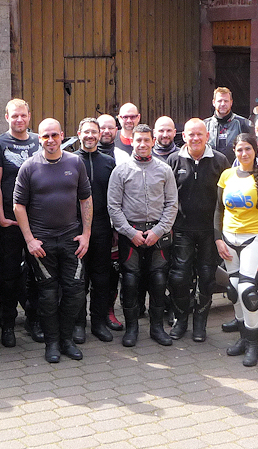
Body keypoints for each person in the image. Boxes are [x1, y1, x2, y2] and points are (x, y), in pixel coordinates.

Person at [14, 118, 93, 363]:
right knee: (47, 296)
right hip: (42, 243)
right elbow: (18, 206)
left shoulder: (75, 163)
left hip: (71, 240)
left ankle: (67, 340)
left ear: (62, 135)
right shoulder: (29, 167)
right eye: (45, 136)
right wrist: (29, 240)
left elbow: (86, 199)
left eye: (54, 135)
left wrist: (86, 234)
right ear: (39, 138)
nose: (50, 140)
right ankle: (52, 344)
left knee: (75, 291)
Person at [108, 124, 178, 348]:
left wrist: (158, 231)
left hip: (158, 234)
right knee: (130, 282)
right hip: (131, 235)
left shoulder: (164, 170)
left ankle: (157, 328)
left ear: (153, 141)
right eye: (138, 140)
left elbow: (172, 204)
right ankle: (132, 329)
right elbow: (113, 207)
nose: (143, 144)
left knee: (158, 281)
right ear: (132, 142)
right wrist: (130, 232)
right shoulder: (120, 171)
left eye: (147, 140)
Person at [215, 133, 258, 367]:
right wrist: (218, 239)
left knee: (247, 291)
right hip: (228, 238)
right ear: (234, 151)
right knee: (233, 289)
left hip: (254, 238)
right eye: (240, 149)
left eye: (248, 149)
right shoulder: (227, 175)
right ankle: (243, 338)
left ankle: (253, 344)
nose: (244, 154)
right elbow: (218, 210)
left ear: (255, 150)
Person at [167, 118, 230, 342]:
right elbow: (168, 197)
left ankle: (200, 324)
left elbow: (226, 198)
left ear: (207, 136)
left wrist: (221, 231)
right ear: (184, 136)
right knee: (179, 277)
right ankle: (181, 320)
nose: (195, 138)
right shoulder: (173, 160)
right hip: (181, 229)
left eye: (199, 134)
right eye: (191, 134)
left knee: (207, 277)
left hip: (209, 231)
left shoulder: (220, 161)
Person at [0, 98, 43, 347]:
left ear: (29, 116)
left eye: (23, 115)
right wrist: (0, 217)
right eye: (14, 115)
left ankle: (34, 320)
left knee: (38, 274)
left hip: (37, 221)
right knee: (9, 275)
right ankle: (7, 324)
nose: (19, 119)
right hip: (9, 222)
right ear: (7, 117)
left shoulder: (40, 141)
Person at [74, 117, 116, 342]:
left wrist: (115, 229)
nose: (90, 136)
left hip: (102, 227)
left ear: (99, 135)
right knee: (78, 279)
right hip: (75, 228)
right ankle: (78, 323)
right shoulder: (70, 161)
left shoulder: (109, 162)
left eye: (94, 132)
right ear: (79, 134)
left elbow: (116, 197)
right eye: (86, 132)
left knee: (101, 278)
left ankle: (98, 322)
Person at [96, 113, 129, 331]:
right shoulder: (78, 156)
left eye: (110, 127)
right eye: (102, 127)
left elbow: (127, 194)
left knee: (111, 272)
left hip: (115, 226)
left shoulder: (123, 157)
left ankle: (108, 311)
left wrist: (118, 226)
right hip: (90, 225)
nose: (106, 131)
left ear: (116, 130)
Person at [205, 87, 252, 165]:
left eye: (226, 101)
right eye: (219, 101)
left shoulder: (243, 124)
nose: (223, 104)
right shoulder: (205, 125)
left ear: (231, 102)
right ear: (214, 102)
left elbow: (252, 149)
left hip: (235, 169)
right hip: (212, 169)